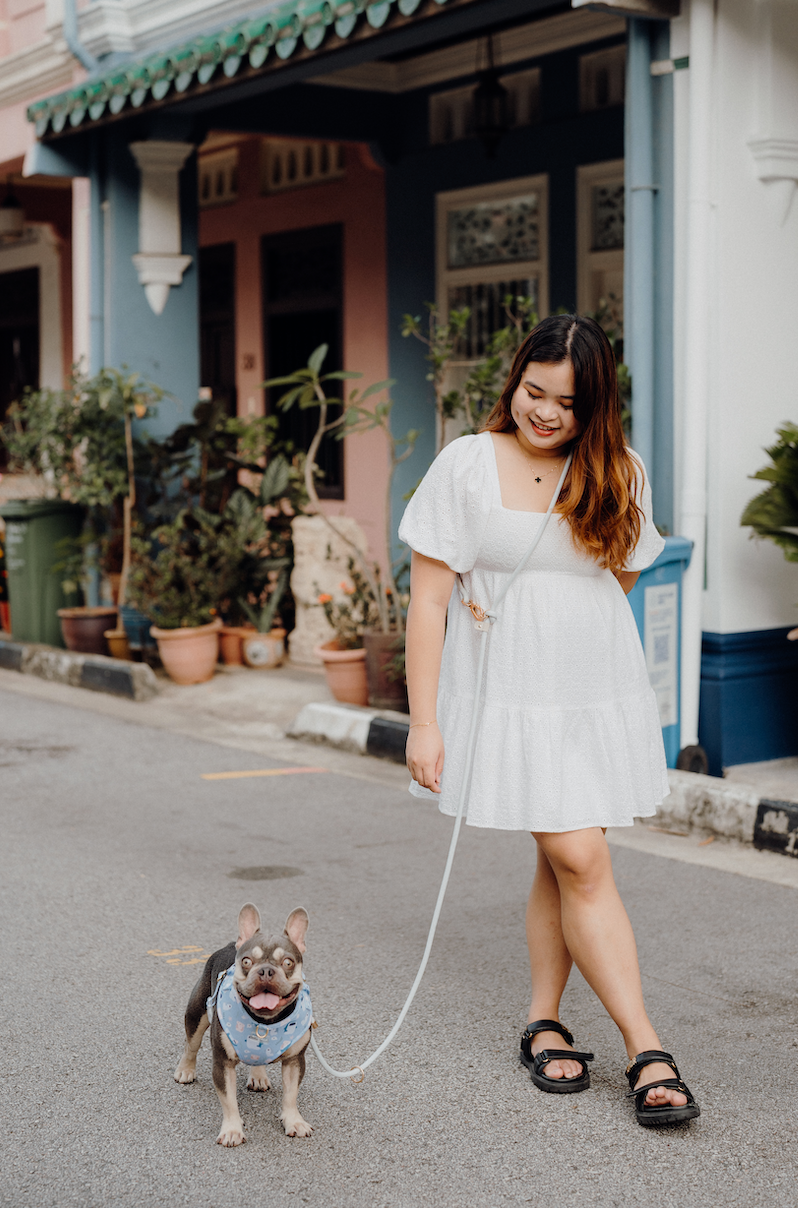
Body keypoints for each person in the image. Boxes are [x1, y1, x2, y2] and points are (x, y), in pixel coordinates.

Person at [398, 314, 700, 1127]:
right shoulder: (467, 462)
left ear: (593, 406)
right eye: (534, 392)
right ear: (514, 383)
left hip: (590, 695)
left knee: (565, 858)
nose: (545, 413)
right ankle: (646, 1048)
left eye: (567, 402)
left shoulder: (617, 471)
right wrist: (423, 720)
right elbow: (428, 598)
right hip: (509, 699)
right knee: (579, 857)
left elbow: (618, 581)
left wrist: (551, 621)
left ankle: (545, 1020)